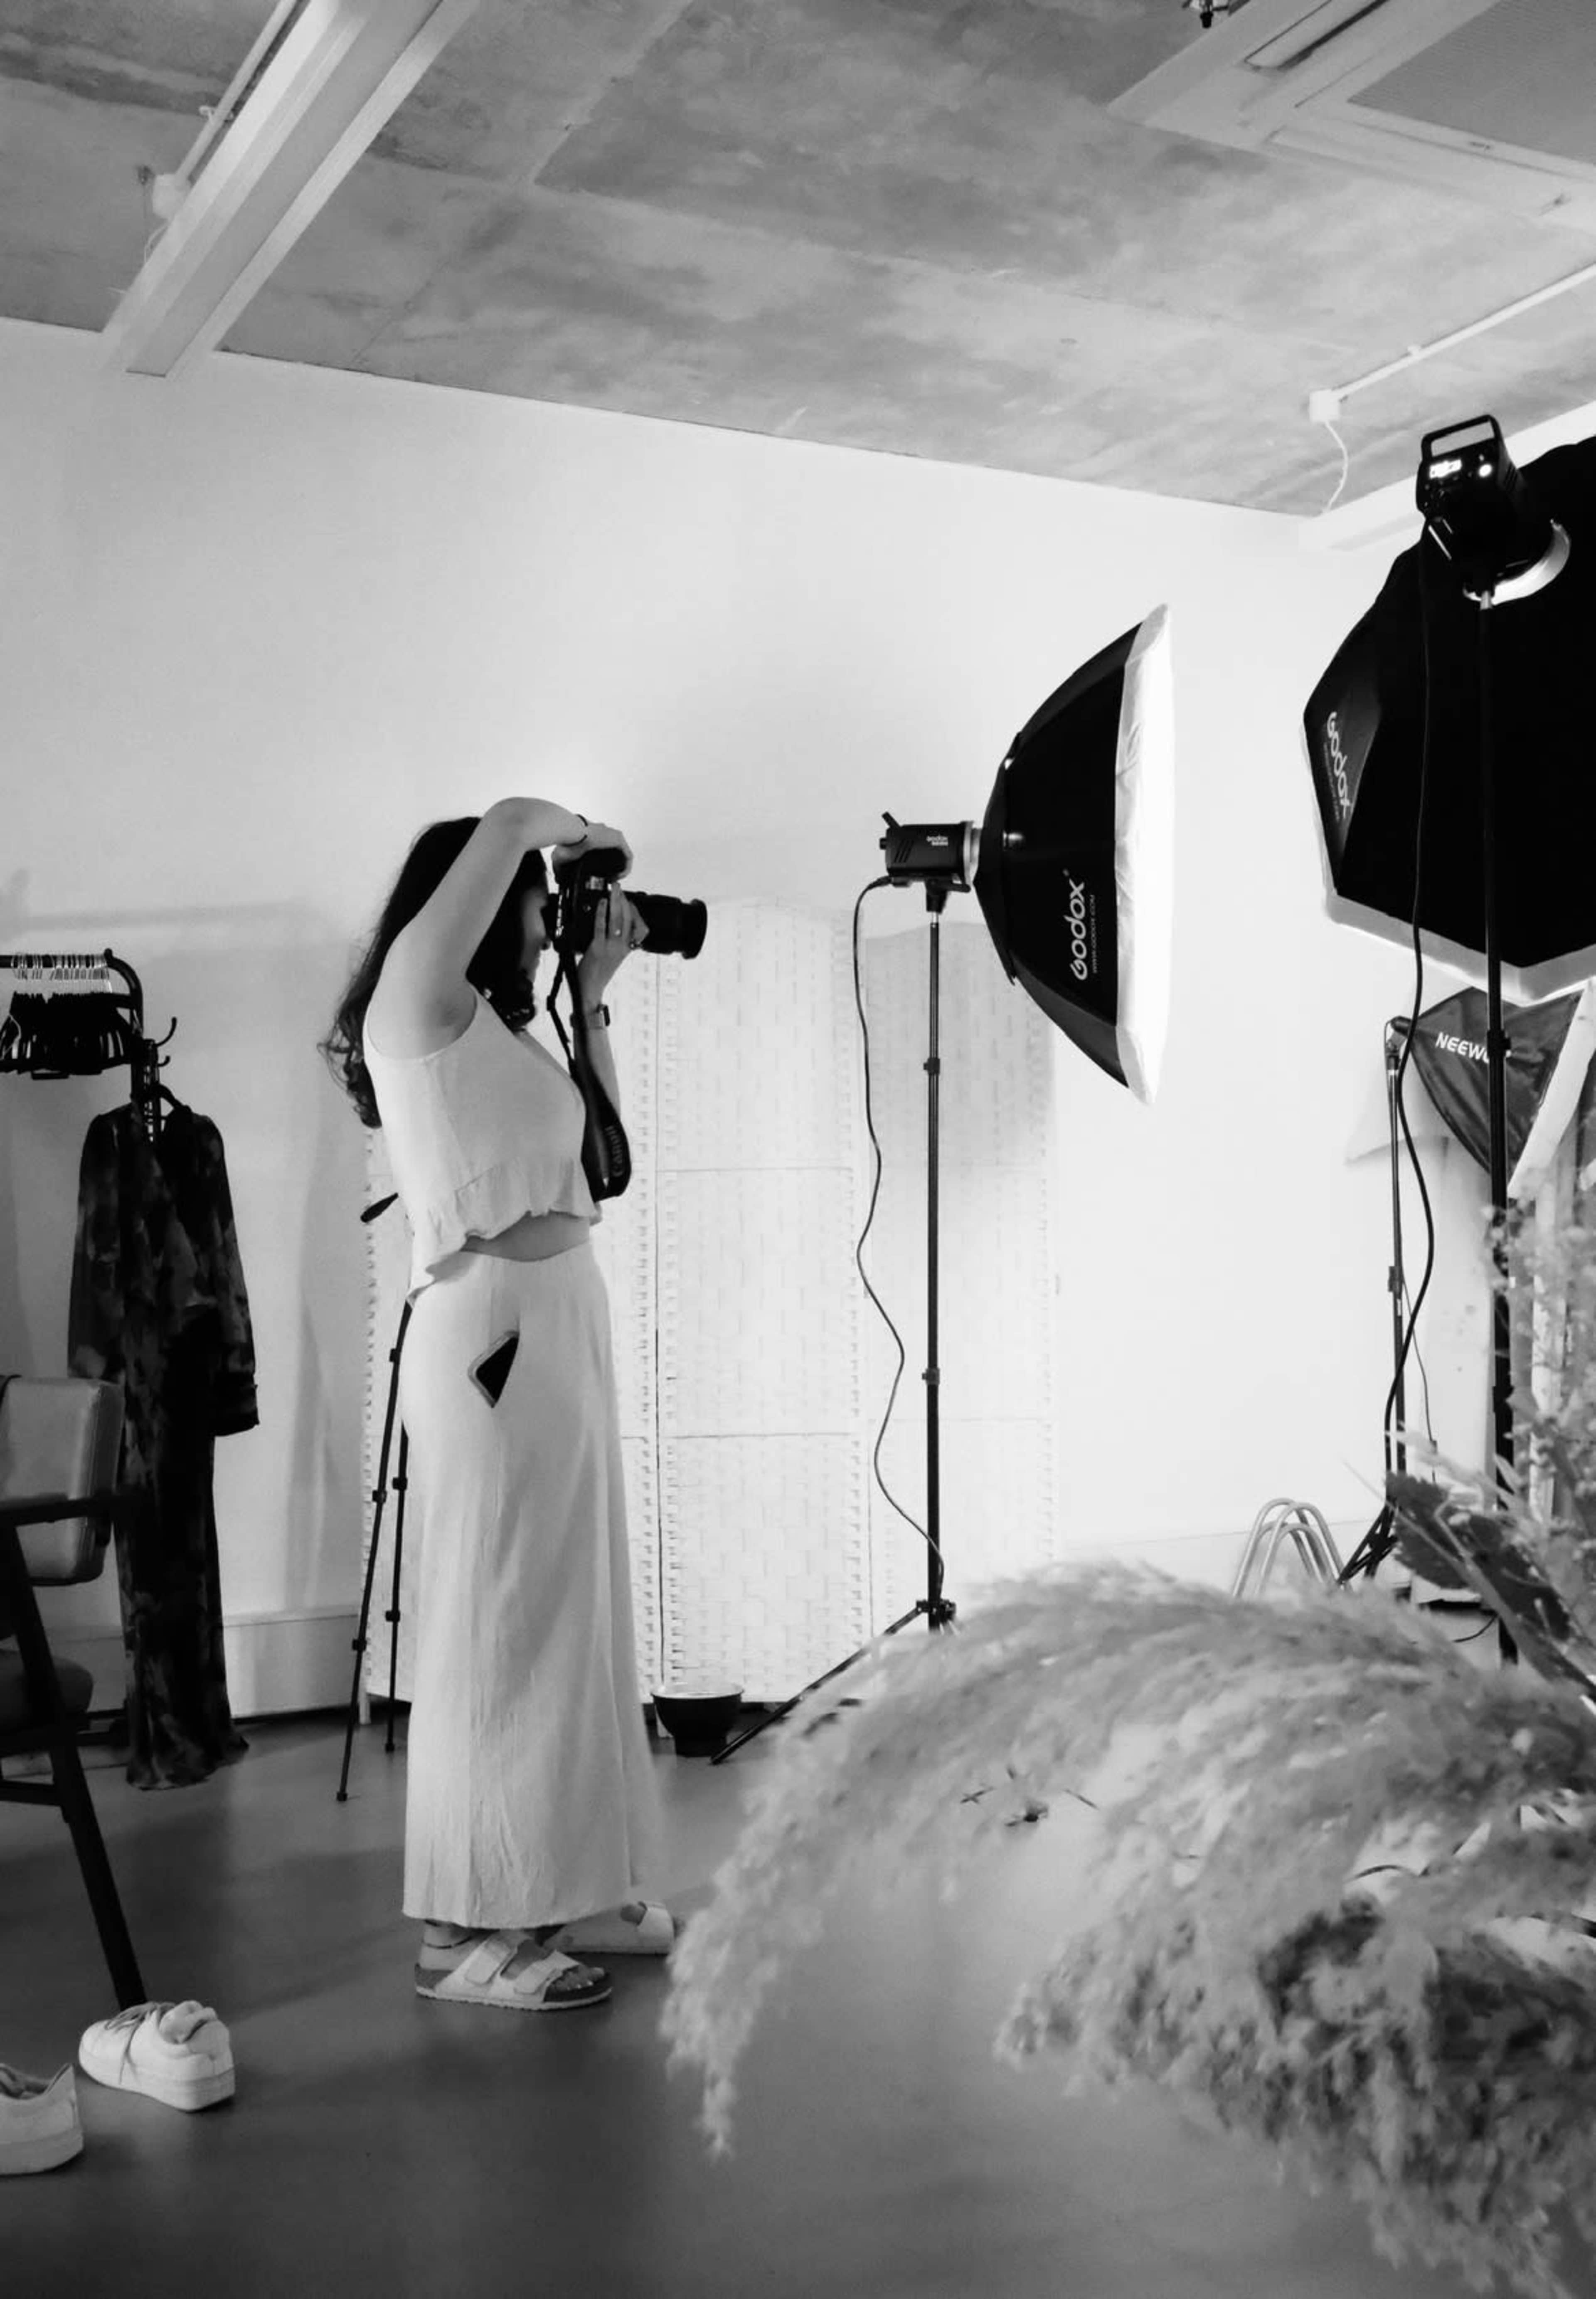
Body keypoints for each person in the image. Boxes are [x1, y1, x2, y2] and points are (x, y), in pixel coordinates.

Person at [321, 798, 674, 2011]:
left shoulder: (501, 1035)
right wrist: (558, 826)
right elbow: (514, 819)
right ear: (471, 901)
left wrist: (593, 987)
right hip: (496, 1343)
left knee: (569, 1617)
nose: (545, 917)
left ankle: (560, 1880)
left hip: (557, 1325)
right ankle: (460, 1935)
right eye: (535, 899)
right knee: (493, 1626)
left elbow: (604, 1168)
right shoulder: (414, 1010)